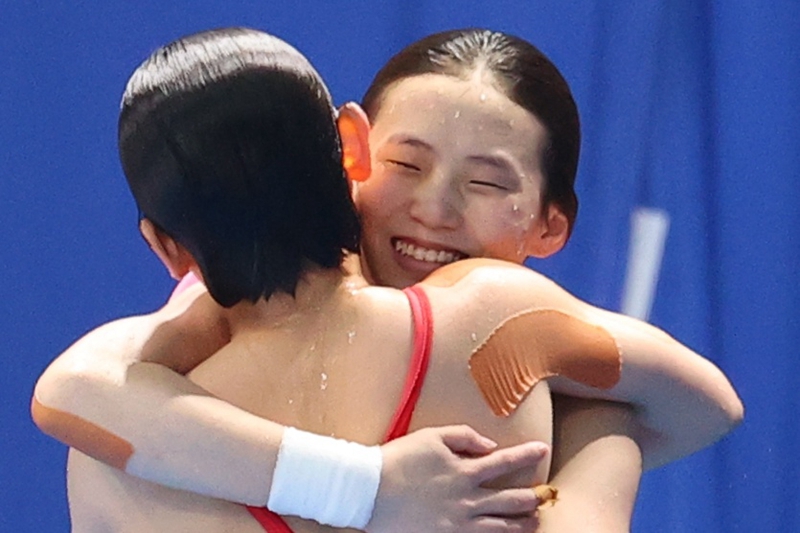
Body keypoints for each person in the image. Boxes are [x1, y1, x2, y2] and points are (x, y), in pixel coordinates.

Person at [31, 28, 743, 532]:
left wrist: (583, 450)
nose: (434, 208)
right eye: (408, 164)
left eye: (487, 180)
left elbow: (75, 395)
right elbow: (75, 388)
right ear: (354, 151)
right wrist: (365, 487)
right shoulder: (507, 323)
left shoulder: (127, 437)